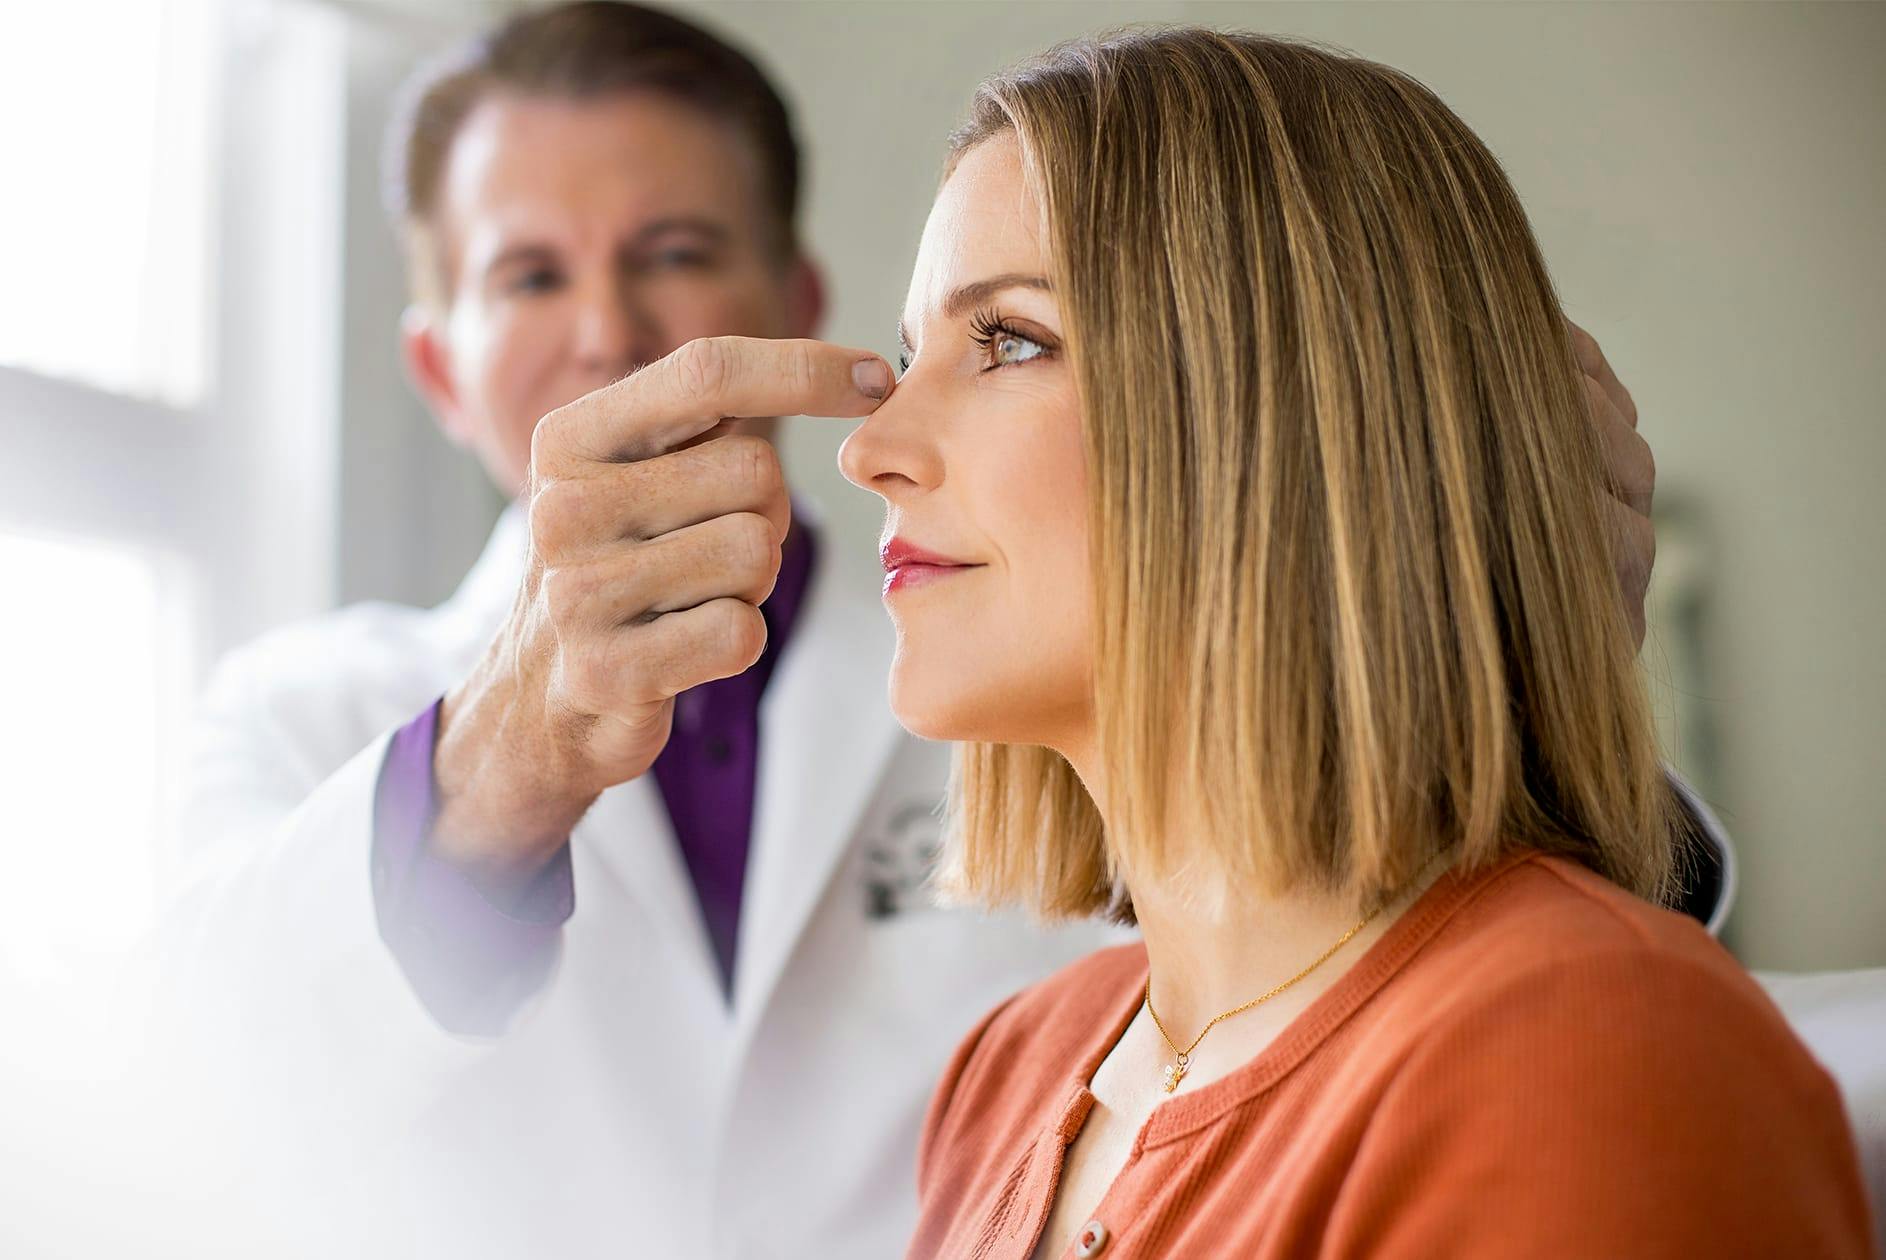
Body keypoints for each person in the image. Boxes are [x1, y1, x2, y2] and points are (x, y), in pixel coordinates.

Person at [164, 5, 1721, 1258]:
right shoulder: (306, 717)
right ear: (438, 369)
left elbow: (1402, 998)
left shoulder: (1010, 646)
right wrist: (495, 769)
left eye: (675, 254)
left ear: (789, 297)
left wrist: (1484, 657)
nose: (607, 333)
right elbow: (182, 1116)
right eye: (528, 276)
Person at [834, 28, 1872, 1259]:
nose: (868, 449)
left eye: (1006, 339)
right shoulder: (1007, 1075)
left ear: (1287, 413)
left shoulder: (1580, 1050)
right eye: (910, 356)